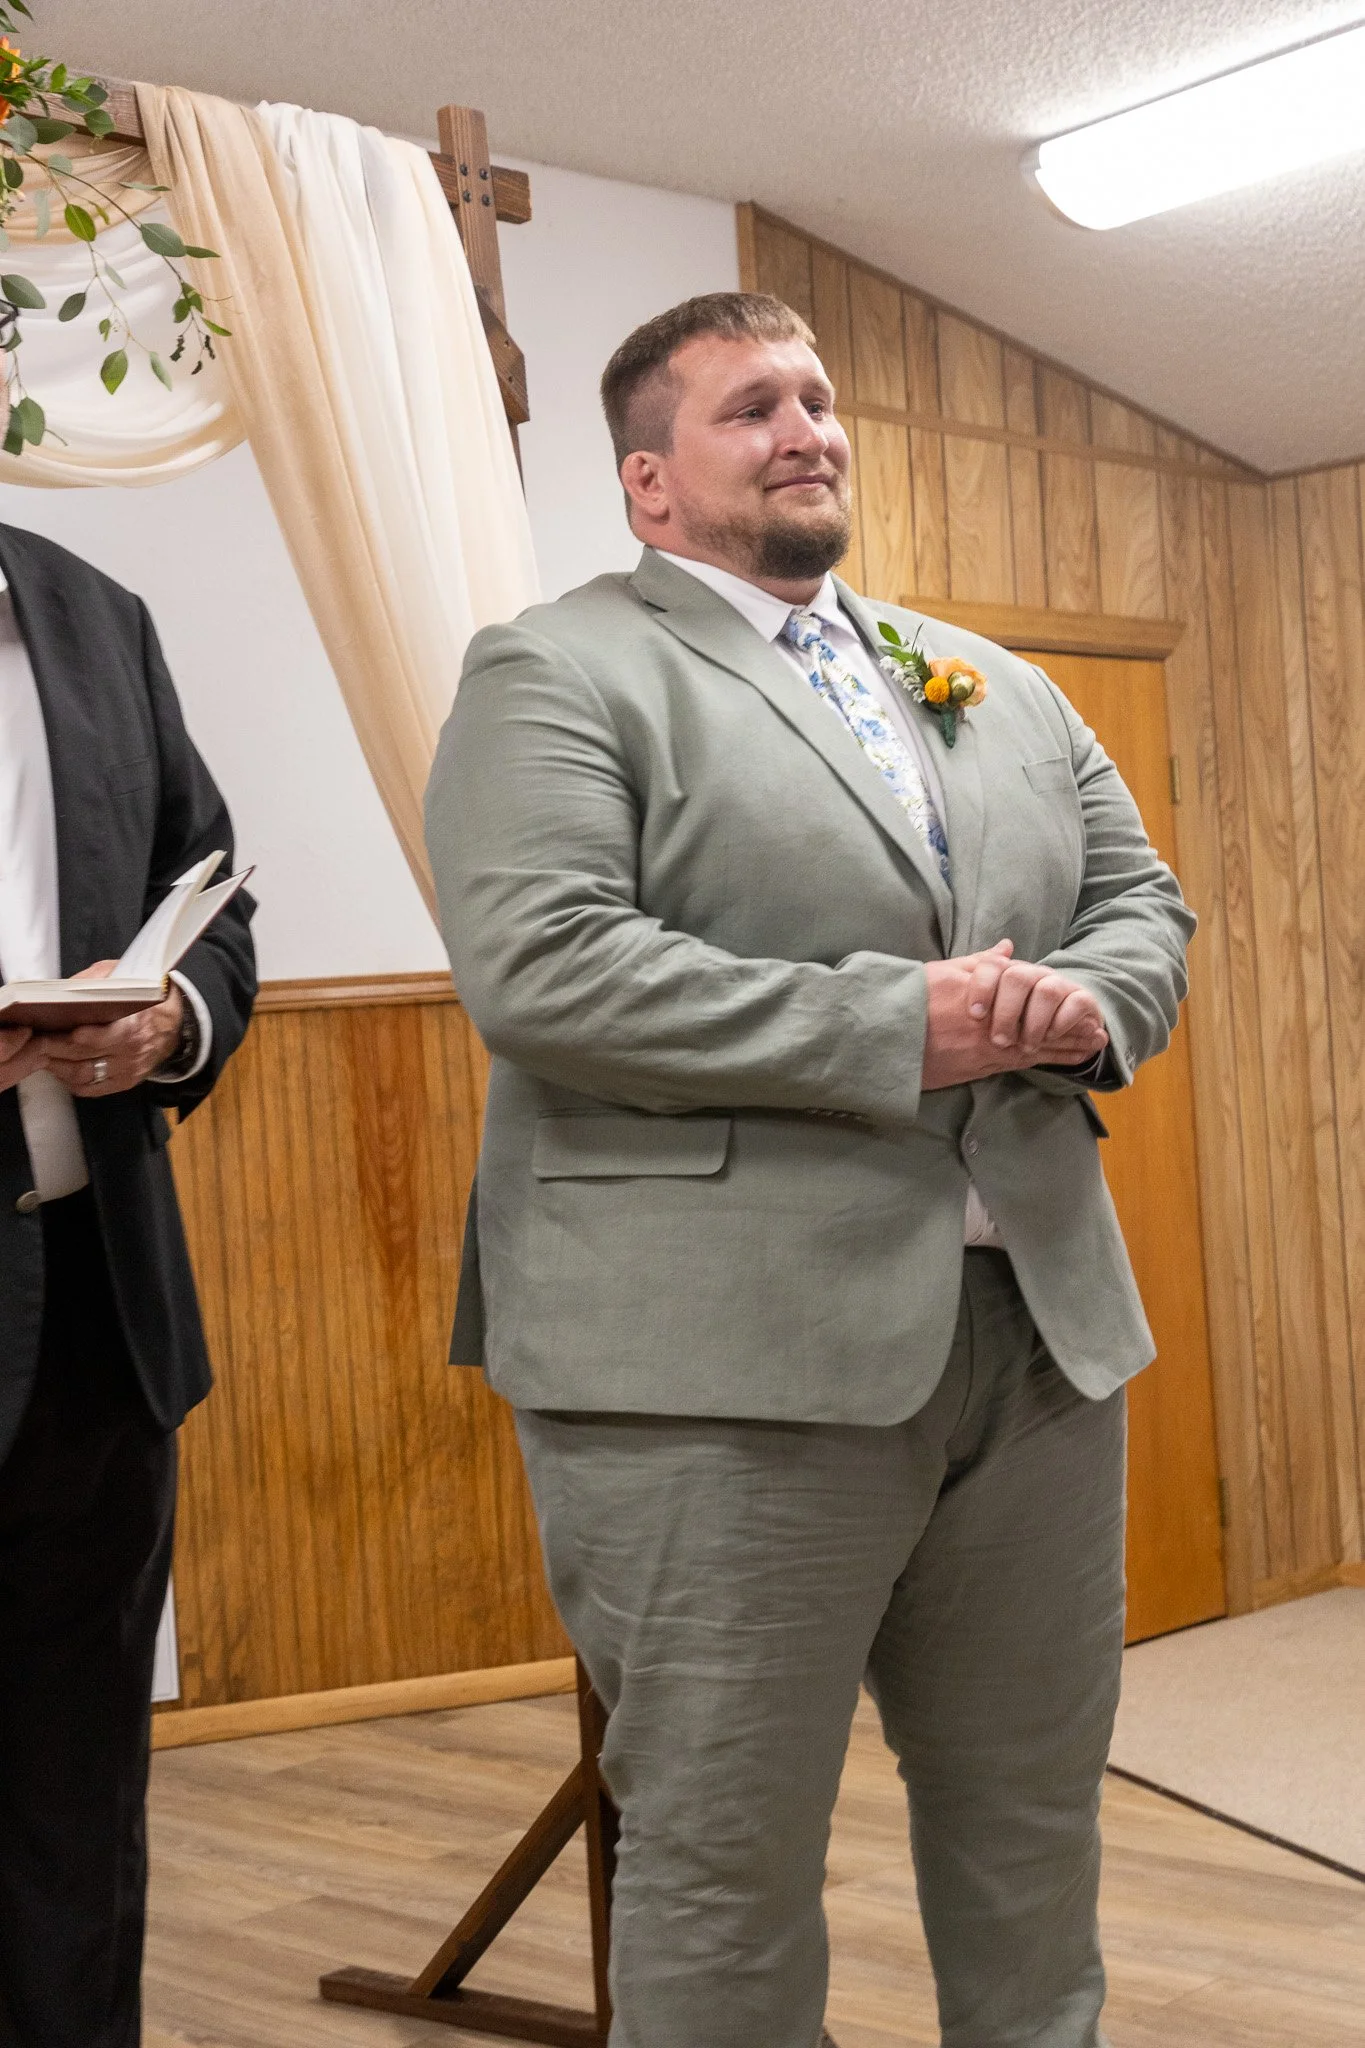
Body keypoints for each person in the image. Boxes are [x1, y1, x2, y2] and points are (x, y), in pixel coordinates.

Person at [425, 293, 1194, 2048]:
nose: (807, 428)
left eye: (821, 398)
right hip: (720, 1368)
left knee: (1030, 1826)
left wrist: (1087, 1003)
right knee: (724, 1858)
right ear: (649, 485)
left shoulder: (985, 674)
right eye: (751, 406)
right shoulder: (558, 669)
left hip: (1042, 1340)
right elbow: (544, 967)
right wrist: (892, 1029)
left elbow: (1144, 899)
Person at [0, 522, 256, 2048]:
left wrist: (171, 1021)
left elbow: (215, 911)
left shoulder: (98, 616)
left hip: (100, 1310)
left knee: (79, 1796)